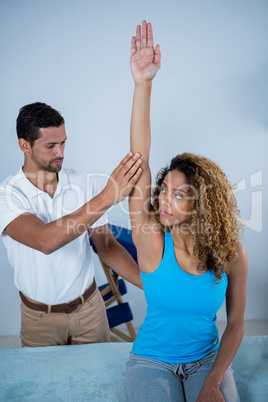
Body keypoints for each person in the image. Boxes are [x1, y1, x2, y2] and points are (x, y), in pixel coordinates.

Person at [126, 21, 248, 402]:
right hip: (151, 362)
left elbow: (236, 325)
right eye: (163, 189)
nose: (163, 199)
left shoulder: (230, 254)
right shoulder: (150, 241)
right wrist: (143, 84)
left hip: (205, 361)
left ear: (201, 204)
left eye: (178, 194)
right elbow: (139, 158)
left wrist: (213, 381)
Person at [0, 102, 143, 347]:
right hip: (40, 320)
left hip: (90, 309)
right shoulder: (8, 194)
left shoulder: (83, 182)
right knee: (45, 385)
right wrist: (107, 197)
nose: (61, 152)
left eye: (63, 142)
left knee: (99, 381)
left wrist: (152, 286)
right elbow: (45, 241)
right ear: (25, 145)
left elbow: (106, 245)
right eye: (51, 145)